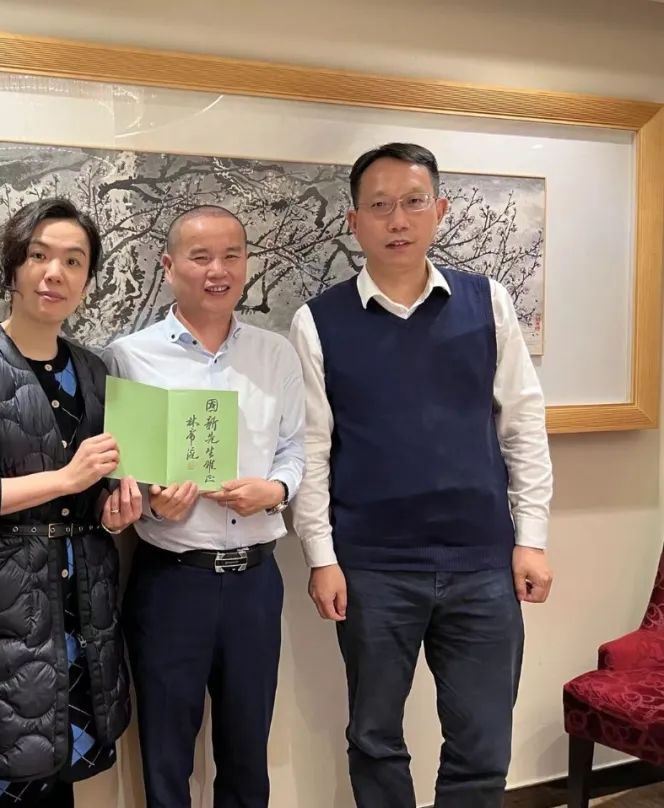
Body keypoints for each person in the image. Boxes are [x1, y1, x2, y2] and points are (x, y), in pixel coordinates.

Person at [290, 142, 554, 808]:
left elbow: (523, 425)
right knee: (375, 738)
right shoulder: (318, 321)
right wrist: (321, 556)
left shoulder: (487, 303)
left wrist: (532, 538)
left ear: (439, 210)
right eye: (379, 206)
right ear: (354, 221)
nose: (398, 220)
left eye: (413, 202)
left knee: (482, 745)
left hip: (483, 564)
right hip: (373, 568)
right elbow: (311, 450)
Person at [0, 197, 138, 808]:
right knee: (2, 773)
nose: (54, 273)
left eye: (74, 260)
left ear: (88, 279)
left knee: (60, 776)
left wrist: (112, 508)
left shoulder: (94, 371)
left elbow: (96, 489)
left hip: (84, 611)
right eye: (39, 255)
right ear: (12, 264)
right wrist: (64, 480)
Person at [107, 205, 306, 808]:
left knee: (248, 750)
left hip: (255, 582)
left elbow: (295, 449)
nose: (217, 271)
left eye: (231, 256)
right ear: (169, 267)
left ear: (246, 264)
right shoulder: (130, 356)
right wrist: (151, 507)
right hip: (171, 582)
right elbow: (123, 475)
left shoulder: (275, 354)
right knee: (166, 750)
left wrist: (276, 490)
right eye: (200, 257)